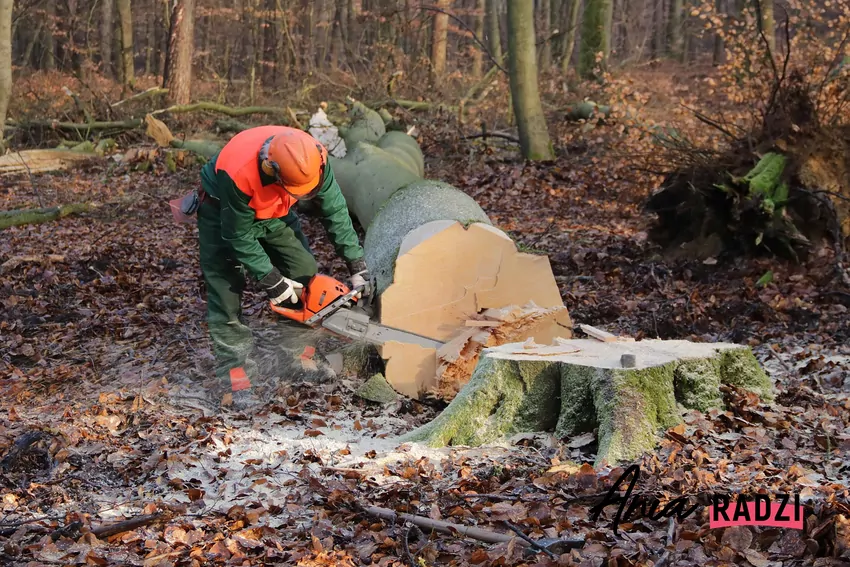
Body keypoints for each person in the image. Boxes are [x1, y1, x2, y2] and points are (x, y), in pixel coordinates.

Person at [195, 125, 370, 408]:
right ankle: (236, 376)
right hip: (222, 213)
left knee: (303, 272)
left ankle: (296, 356)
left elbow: (335, 209)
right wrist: (272, 280)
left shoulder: (314, 159)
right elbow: (238, 236)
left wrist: (356, 263)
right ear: (270, 168)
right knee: (226, 293)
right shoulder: (239, 172)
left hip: (274, 213)